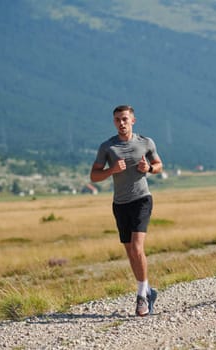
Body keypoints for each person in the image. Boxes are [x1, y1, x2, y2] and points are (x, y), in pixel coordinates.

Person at [90, 105, 163, 316]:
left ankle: (141, 296)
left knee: (138, 248)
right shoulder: (107, 147)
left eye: (124, 119)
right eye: (117, 120)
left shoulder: (145, 142)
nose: (121, 123)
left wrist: (148, 169)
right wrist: (111, 170)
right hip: (120, 204)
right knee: (131, 251)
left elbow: (159, 165)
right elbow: (94, 176)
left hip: (142, 200)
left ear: (133, 120)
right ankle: (148, 290)